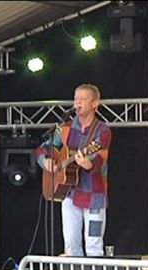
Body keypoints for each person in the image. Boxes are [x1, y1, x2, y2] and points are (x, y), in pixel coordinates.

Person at [37, 84, 112, 257]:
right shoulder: (65, 128)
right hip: (69, 193)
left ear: (95, 104)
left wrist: (89, 164)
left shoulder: (102, 130)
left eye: (83, 99)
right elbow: (43, 149)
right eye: (76, 98)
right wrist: (46, 162)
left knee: (94, 244)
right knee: (71, 245)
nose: (77, 102)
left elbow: (101, 158)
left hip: (94, 195)